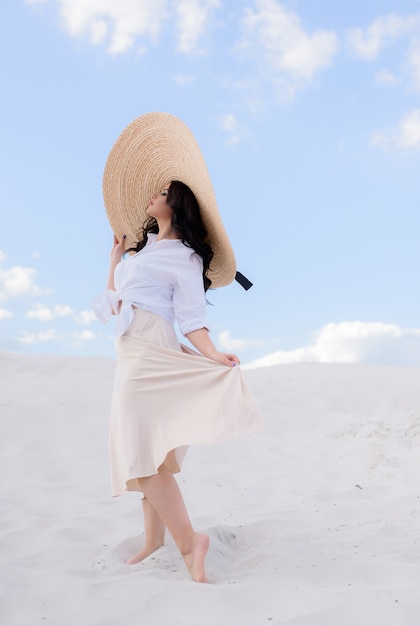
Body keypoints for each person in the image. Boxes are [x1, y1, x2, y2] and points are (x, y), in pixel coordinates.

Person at [93, 113, 263, 584]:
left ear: (176, 204)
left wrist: (214, 354)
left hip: (152, 351)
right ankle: (153, 541)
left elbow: (192, 319)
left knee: (141, 450)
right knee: (148, 447)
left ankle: (190, 543)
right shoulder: (139, 254)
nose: (152, 196)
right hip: (130, 353)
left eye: (161, 193)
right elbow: (114, 301)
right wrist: (113, 260)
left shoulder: (185, 257)